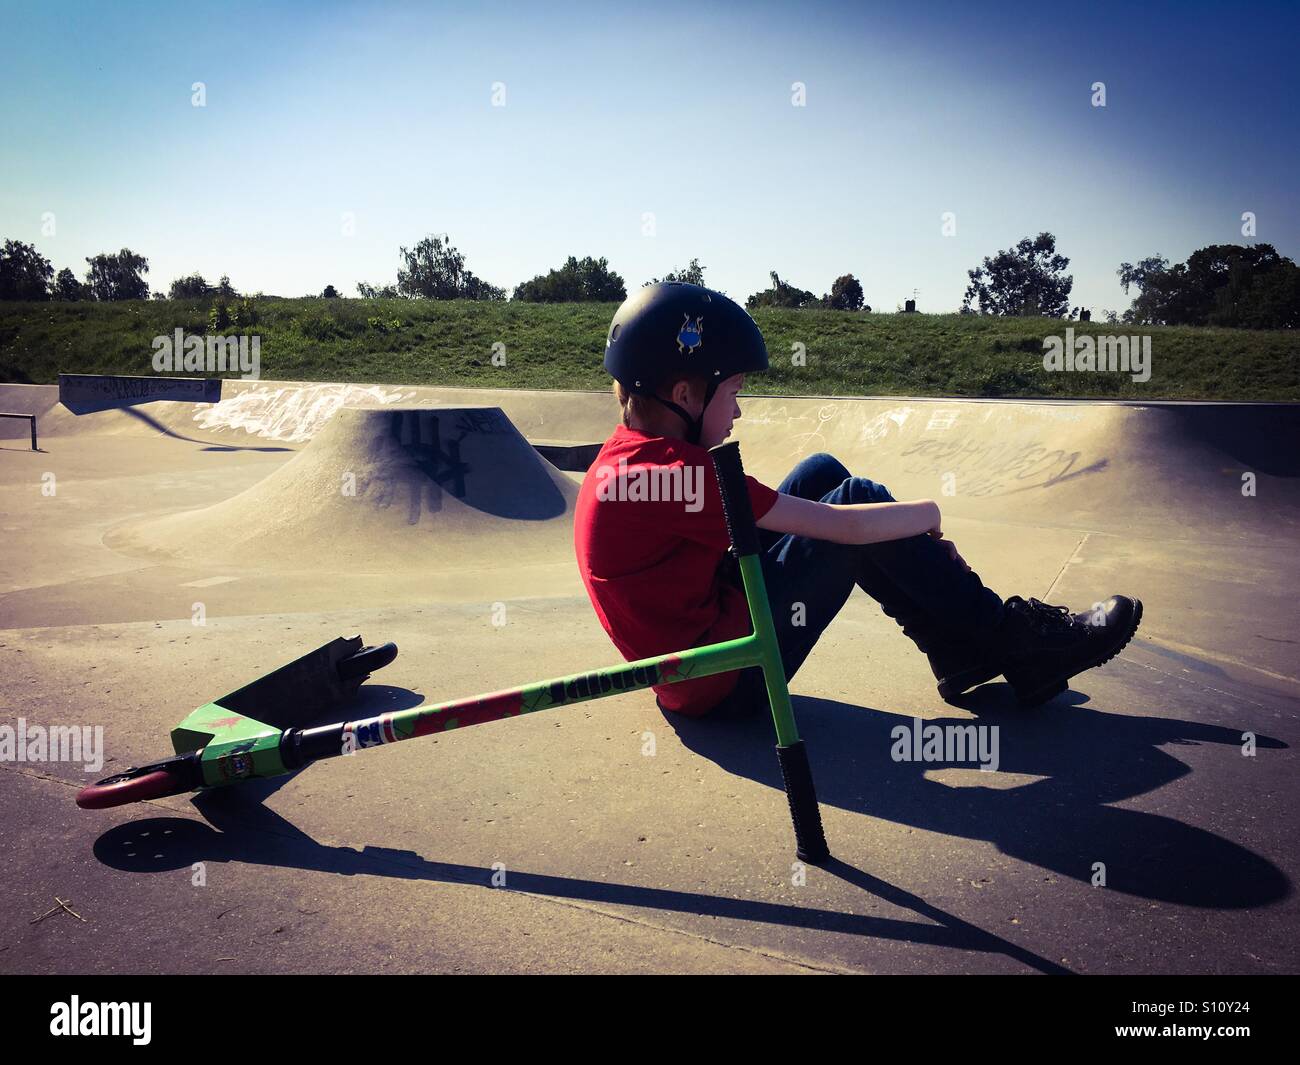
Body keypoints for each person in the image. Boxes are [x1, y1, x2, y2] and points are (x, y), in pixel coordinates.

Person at [572, 282, 1142, 719]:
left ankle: (958, 651)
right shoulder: (679, 475)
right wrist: (930, 516)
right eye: (734, 393)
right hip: (726, 683)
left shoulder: (632, 460)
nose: (739, 412)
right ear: (683, 395)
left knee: (822, 472)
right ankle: (1012, 643)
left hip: (696, 660)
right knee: (857, 503)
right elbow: (841, 528)